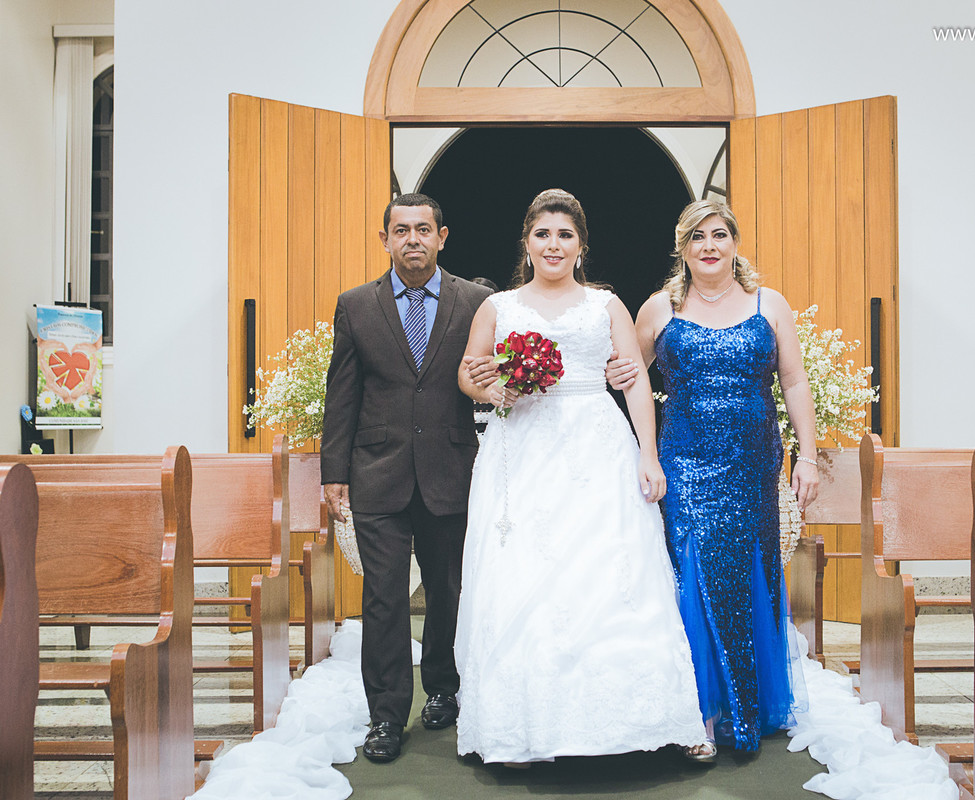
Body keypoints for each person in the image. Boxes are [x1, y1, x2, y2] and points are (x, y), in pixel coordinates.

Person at [454, 189, 706, 766]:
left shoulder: (606, 305)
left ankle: (637, 719)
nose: (553, 245)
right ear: (526, 243)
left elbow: (635, 382)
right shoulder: (498, 307)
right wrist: (494, 389)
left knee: (612, 574)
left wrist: (649, 455)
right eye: (542, 234)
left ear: (581, 246)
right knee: (524, 574)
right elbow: (469, 375)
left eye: (564, 235)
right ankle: (521, 726)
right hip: (522, 449)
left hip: (598, 448)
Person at [624, 198, 819, 759]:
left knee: (749, 575)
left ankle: (745, 705)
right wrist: (639, 450)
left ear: (735, 242)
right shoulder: (658, 308)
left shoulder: (769, 304)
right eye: (697, 237)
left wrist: (807, 456)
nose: (708, 246)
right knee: (694, 572)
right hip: (685, 462)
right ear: (682, 248)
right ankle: (698, 711)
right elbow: (628, 378)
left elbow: (794, 382)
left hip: (753, 465)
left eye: (718, 235)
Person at [320, 193, 498, 764]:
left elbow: (492, 377)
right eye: (401, 230)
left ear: (442, 237)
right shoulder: (356, 306)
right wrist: (333, 472)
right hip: (378, 472)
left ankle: (443, 687)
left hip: (452, 469)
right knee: (383, 599)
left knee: (447, 591)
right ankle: (387, 716)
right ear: (385, 239)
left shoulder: (477, 302)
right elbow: (342, 394)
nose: (413, 239)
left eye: (424, 229)